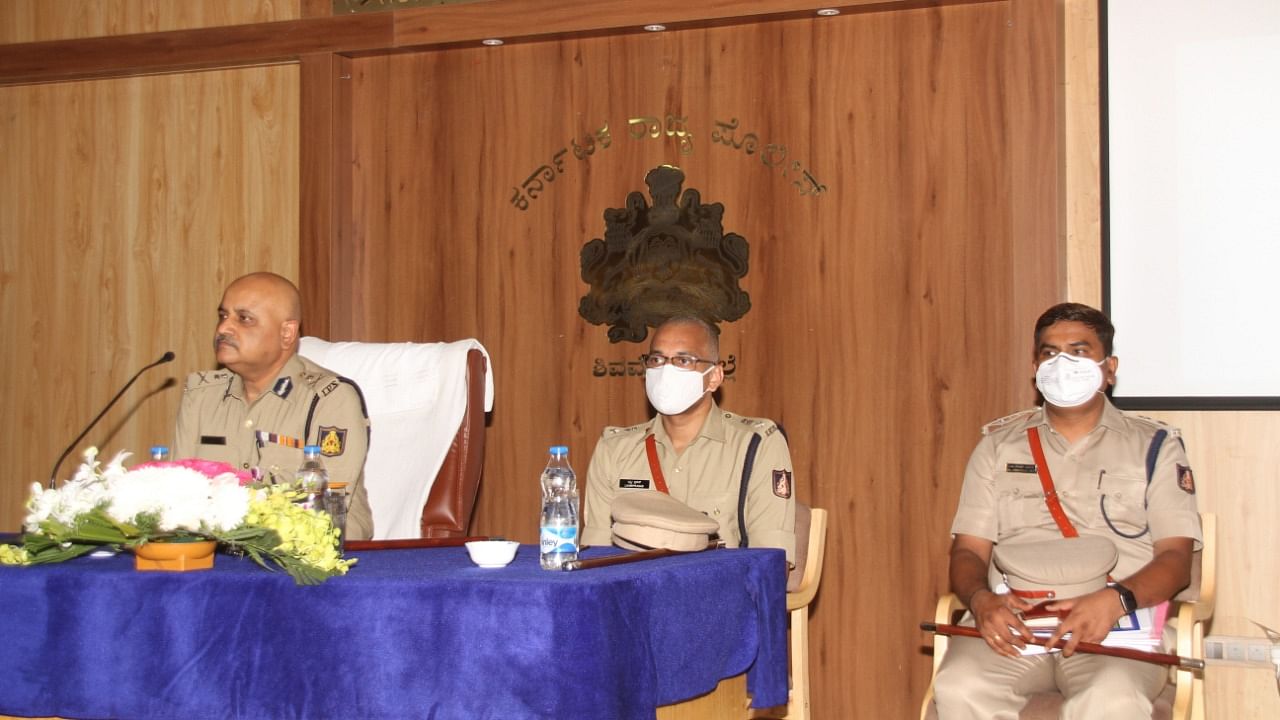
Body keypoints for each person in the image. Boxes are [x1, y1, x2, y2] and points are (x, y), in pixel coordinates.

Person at [933, 303, 1202, 718]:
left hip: (1117, 625)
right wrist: (982, 600)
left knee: (1110, 699)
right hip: (1017, 625)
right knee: (958, 686)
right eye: (1049, 353)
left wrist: (1115, 601)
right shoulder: (996, 448)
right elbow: (968, 551)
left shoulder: (1156, 448)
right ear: (1035, 367)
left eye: (1078, 352)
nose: (1062, 364)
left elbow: (1176, 560)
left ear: (1108, 368)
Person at [173, 272, 374, 540]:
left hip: (308, 564)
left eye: (243, 319)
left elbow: (322, 513)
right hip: (211, 554)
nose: (223, 329)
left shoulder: (329, 399)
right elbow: (175, 493)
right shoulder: (201, 395)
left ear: (287, 333)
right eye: (223, 316)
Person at [582, 316, 796, 563]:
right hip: (634, 595)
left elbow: (770, 565)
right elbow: (597, 557)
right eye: (657, 359)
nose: (666, 370)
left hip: (717, 595)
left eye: (683, 360)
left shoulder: (756, 445)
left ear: (714, 377)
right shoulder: (614, 450)